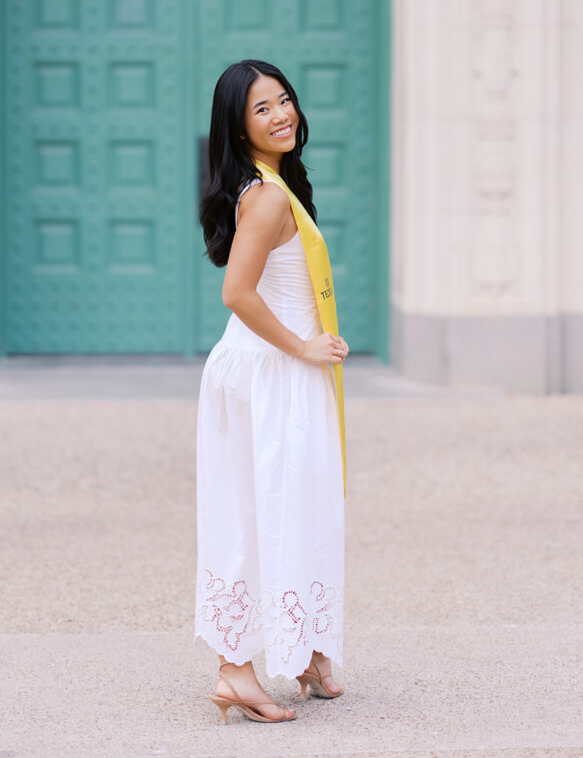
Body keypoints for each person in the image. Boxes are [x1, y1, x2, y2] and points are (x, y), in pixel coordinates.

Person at [194, 59, 349, 724]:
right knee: (257, 515)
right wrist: (303, 346)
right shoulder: (264, 197)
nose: (281, 114)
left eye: (283, 100)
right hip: (270, 375)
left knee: (299, 504)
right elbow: (236, 292)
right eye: (261, 108)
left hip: (272, 373)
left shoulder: (276, 185)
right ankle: (234, 668)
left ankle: (306, 649)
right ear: (236, 125)